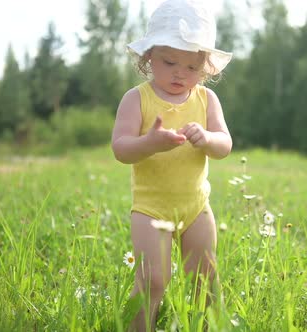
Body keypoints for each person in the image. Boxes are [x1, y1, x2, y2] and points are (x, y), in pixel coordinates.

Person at [111, 0, 233, 330]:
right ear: (149, 55)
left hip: (196, 208)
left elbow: (225, 144)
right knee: (153, 280)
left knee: (204, 279)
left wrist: (207, 139)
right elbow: (121, 149)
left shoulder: (207, 100)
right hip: (151, 210)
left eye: (192, 67)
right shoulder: (137, 99)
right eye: (169, 61)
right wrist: (150, 143)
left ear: (205, 67)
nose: (180, 72)